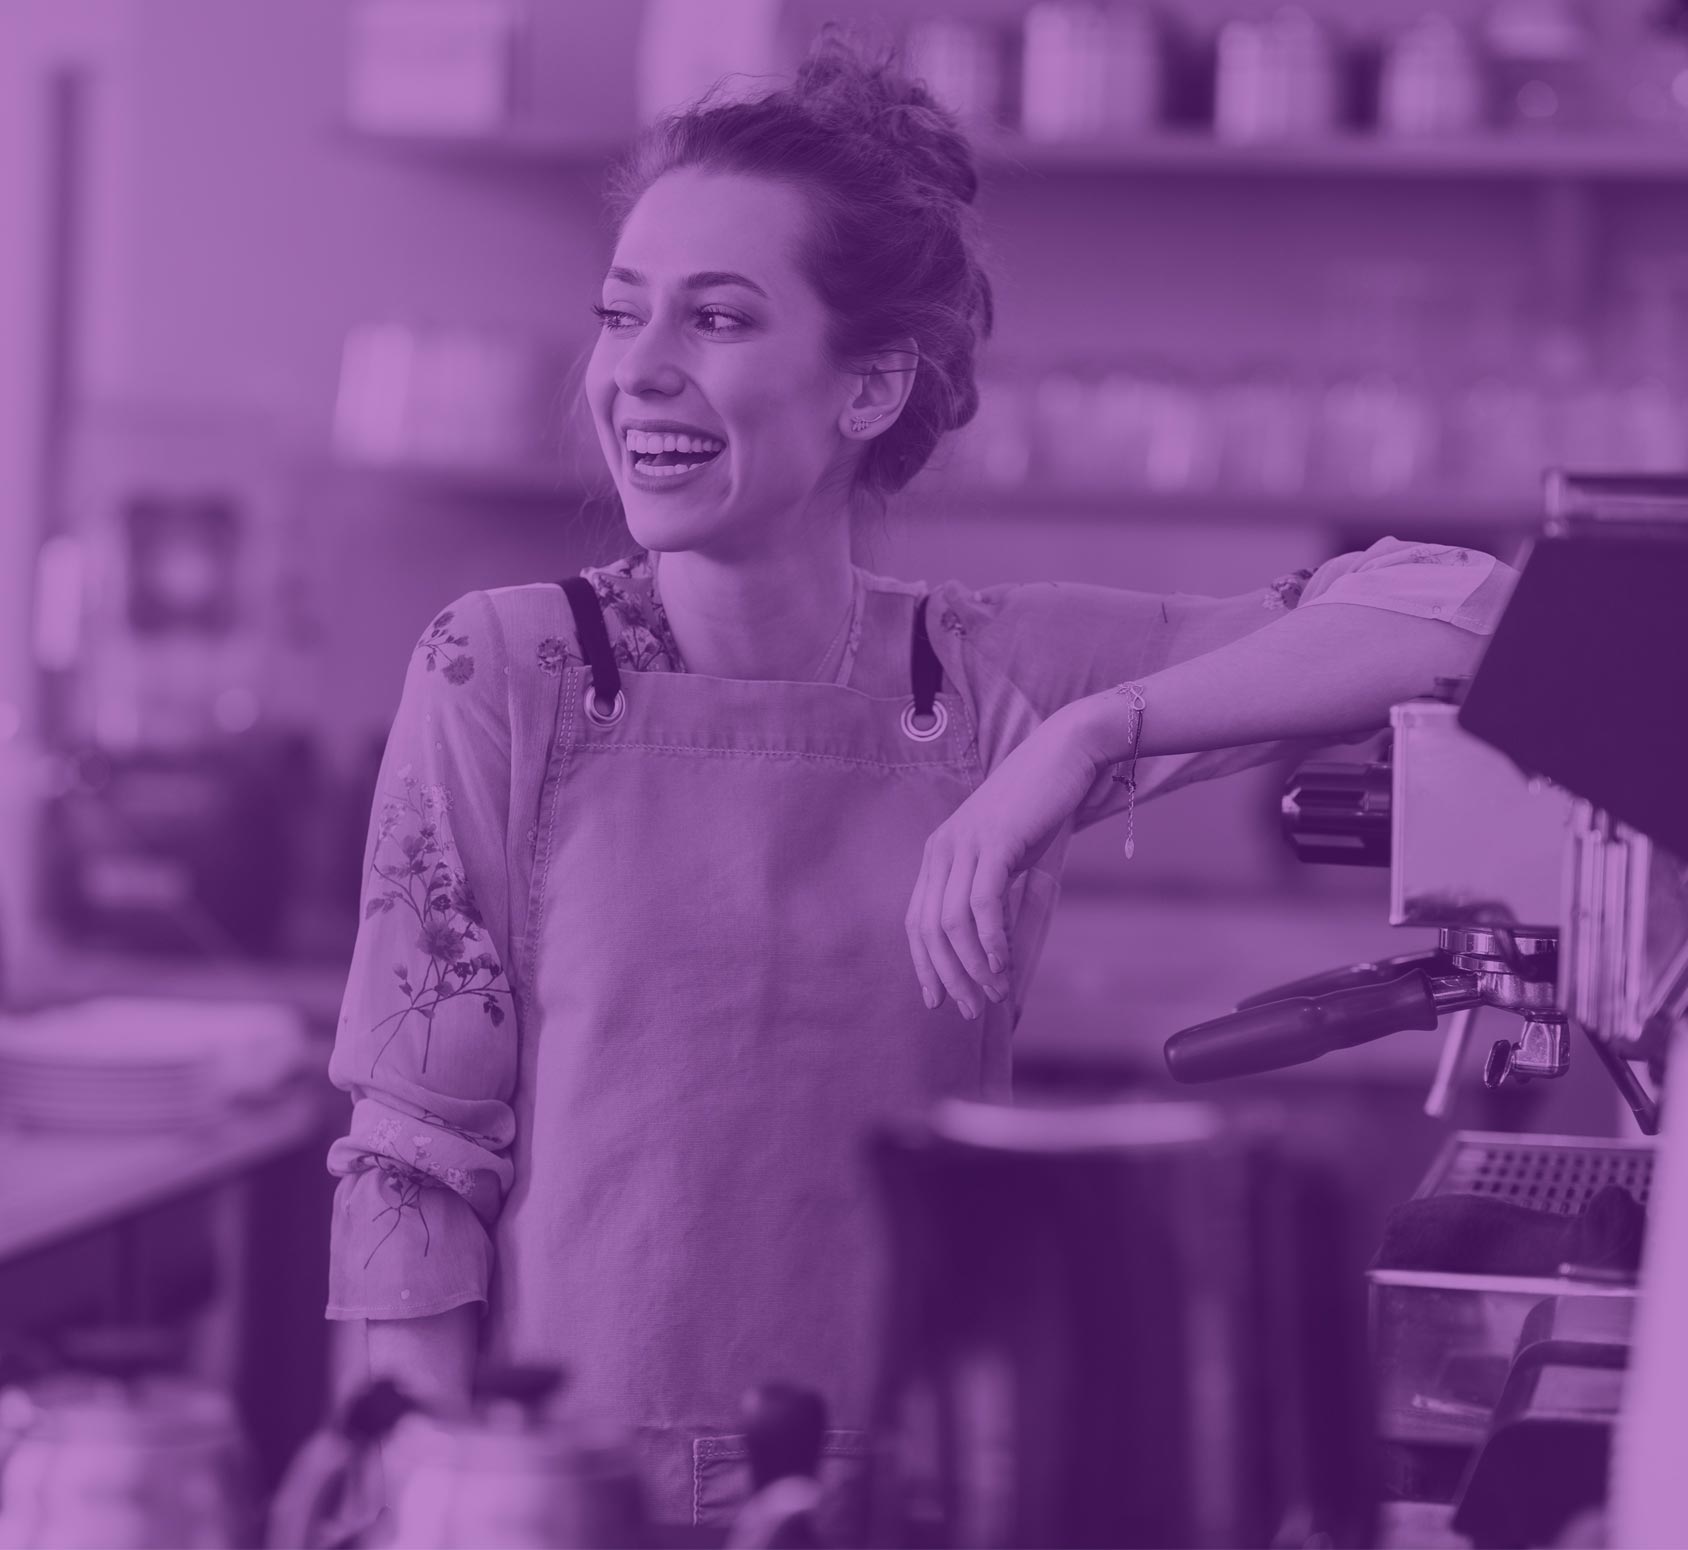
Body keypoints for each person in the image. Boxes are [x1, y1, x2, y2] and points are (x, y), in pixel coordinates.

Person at [322, 29, 1519, 1534]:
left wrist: (1090, 739)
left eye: (719, 318)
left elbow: (1460, 610)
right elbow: (415, 1164)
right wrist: (437, 1497)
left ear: (870, 387)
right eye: (621, 314)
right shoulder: (503, 673)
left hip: (928, 1494)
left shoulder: (992, 679)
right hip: (567, 1502)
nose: (639, 373)